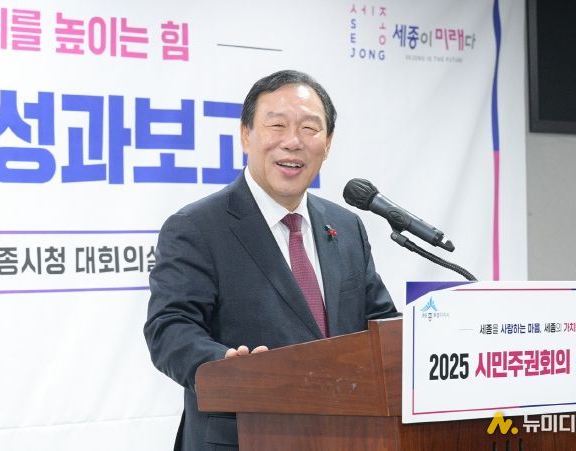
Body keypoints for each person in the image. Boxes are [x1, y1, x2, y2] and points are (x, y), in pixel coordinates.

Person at [144, 69, 398, 451]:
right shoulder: (197, 227)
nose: (293, 142)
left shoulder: (346, 226)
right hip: (242, 437)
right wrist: (227, 365)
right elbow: (170, 327)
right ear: (246, 134)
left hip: (345, 436)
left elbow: (380, 324)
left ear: (328, 143)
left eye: (309, 128)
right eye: (277, 125)